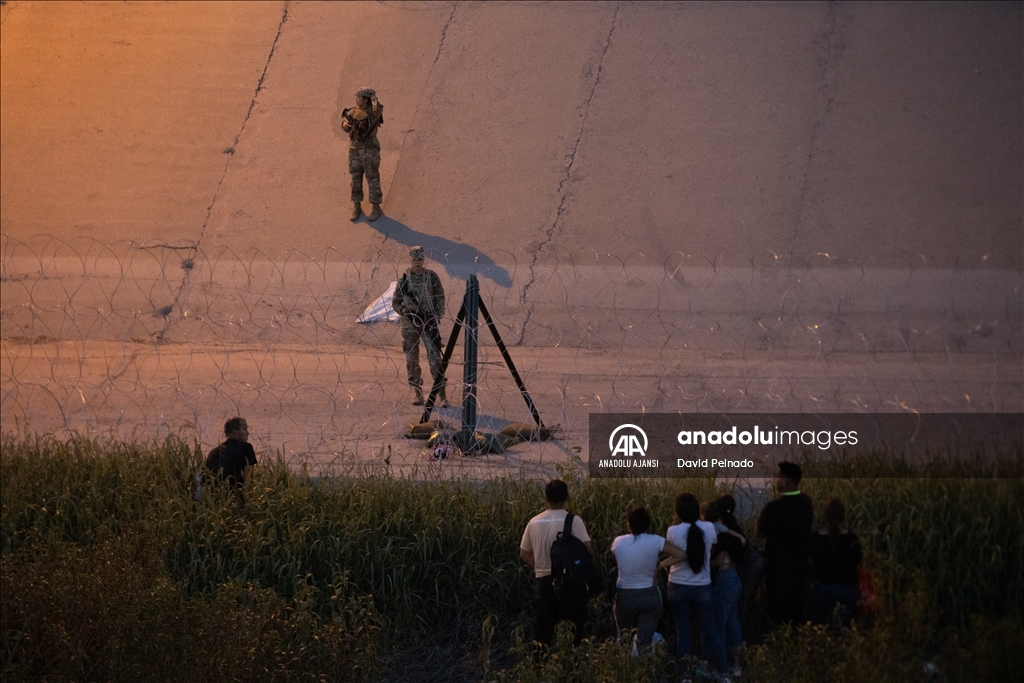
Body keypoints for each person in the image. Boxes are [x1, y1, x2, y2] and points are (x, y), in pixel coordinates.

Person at [662, 494, 731, 683]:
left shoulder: (672, 531)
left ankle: (685, 676)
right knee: (711, 630)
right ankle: (724, 673)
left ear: (678, 512)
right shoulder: (709, 528)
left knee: (683, 631)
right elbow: (709, 552)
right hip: (702, 586)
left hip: (677, 585)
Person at [520, 479, 596, 648]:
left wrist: (539, 567)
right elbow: (588, 549)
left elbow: (524, 553)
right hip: (570, 583)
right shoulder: (573, 521)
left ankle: (539, 668)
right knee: (574, 630)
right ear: (567, 497)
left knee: (543, 633)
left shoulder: (534, 522)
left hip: (543, 581)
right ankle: (572, 666)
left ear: (546, 498)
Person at [610, 506, 685, 652]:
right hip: (649, 596)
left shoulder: (618, 542)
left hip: (625, 597)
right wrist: (660, 565)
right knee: (645, 641)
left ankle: (624, 670)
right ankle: (644, 670)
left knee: (624, 639)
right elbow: (681, 554)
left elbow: (616, 560)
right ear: (647, 523)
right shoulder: (656, 541)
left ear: (628, 523)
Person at [757, 461, 814, 627]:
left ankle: (780, 644)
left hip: (778, 568)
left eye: (777, 477)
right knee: (797, 610)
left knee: (778, 611)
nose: (775, 480)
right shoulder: (806, 502)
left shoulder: (773, 507)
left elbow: (759, 533)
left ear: (786, 480)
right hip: (800, 565)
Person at [392, 246, 447, 406]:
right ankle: (417, 393)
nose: (417, 263)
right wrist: (404, 311)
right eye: (415, 260)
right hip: (410, 325)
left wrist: (437, 315)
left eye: (420, 259)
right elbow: (396, 302)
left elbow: (440, 297)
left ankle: (441, 394)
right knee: (412, 360)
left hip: (428, 323)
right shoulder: (404, 280)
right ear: (410, 260)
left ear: (424, 260)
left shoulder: (431, 277)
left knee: (435, 358)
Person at [807, 498, 863, 630]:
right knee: (842, 631)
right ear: (843, 516)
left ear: (824, 516)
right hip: (847, 590)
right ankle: (840, 646)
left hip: (823, 588)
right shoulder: (852, 539)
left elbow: (809, 563)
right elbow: (858, 562)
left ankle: (816, 645)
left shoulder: (814, 538)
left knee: (815, 628)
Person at [706, 498, 746, 678]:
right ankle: (737, 664)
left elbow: (719, 561)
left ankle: (719, 665)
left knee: (719, 623)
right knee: (732, 622)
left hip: (724, 581)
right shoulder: (735, 530)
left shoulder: (721, 536)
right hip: (735, 579)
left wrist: (701, 563)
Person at [341, 87, 384, 222]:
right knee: (355, 176)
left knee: (372, 177)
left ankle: (376, 206)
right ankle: (356, 205)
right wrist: (345, 124)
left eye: (359, 97)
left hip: (369, 148)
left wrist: (373, 99)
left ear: (366, 100)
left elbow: (378, 108)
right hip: (355, 147)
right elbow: (343, 124)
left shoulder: (374, 111)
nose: (356, 99)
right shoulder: (354, 111)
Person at [204, 417, 257, 502]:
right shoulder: (246, 447)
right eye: (244, 429)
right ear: (235, 432)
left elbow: (205, 480)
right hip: (237, 501)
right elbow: (250, 479)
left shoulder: (213, 452)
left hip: (216, 502)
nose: (248, 433)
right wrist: (250, 502)